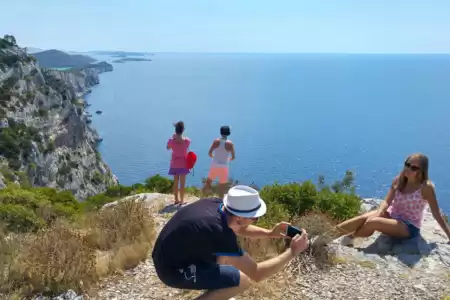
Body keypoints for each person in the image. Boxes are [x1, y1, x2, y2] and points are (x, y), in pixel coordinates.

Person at [152, 185, 309, 300]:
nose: (255, 220)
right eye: (255, 217)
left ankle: (218, 291)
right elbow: (256, 273)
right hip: (170, 271)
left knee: (224, 261)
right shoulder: (221, 233)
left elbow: (239, 228)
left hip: (164, 254)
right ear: (239, 218)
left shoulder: (216, 204)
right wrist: (292, 252)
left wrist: (269, 233)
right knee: (241, 281)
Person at [337, 153, 450, 246]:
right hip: (392, 215)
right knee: (363, 218)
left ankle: (350, 238)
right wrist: (379, 212)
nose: (408, 169)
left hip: (408, 226)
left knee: (372, 222)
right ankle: (328, 234)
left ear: (422, 171)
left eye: (414, 168)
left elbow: (436, 213)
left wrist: (448, 235)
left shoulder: (426, 187)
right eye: (407, 164)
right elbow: (387, 201)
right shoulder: (399, 180)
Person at [202, 125, 235, 199]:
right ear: (228, 133)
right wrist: (228, 159)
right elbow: (233, 157)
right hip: (224, 166)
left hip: (215, 164)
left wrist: (214, 157)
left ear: (221, 132)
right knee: (222, 185)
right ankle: (220, 201)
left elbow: (209, 153)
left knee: (209, 182)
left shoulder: (216, 141)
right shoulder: (230, 144)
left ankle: (201, 197)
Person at [167, 121, 191, 205]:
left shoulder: (171, 140)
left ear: (175, 130)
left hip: (174, 164)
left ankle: (176, 200)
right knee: (182, 184)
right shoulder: (187, 141)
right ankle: (182, 201)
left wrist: (173, 137)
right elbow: (185, 144)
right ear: (183, 130)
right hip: (183, 164)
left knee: (175, 183)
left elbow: (167, 148)